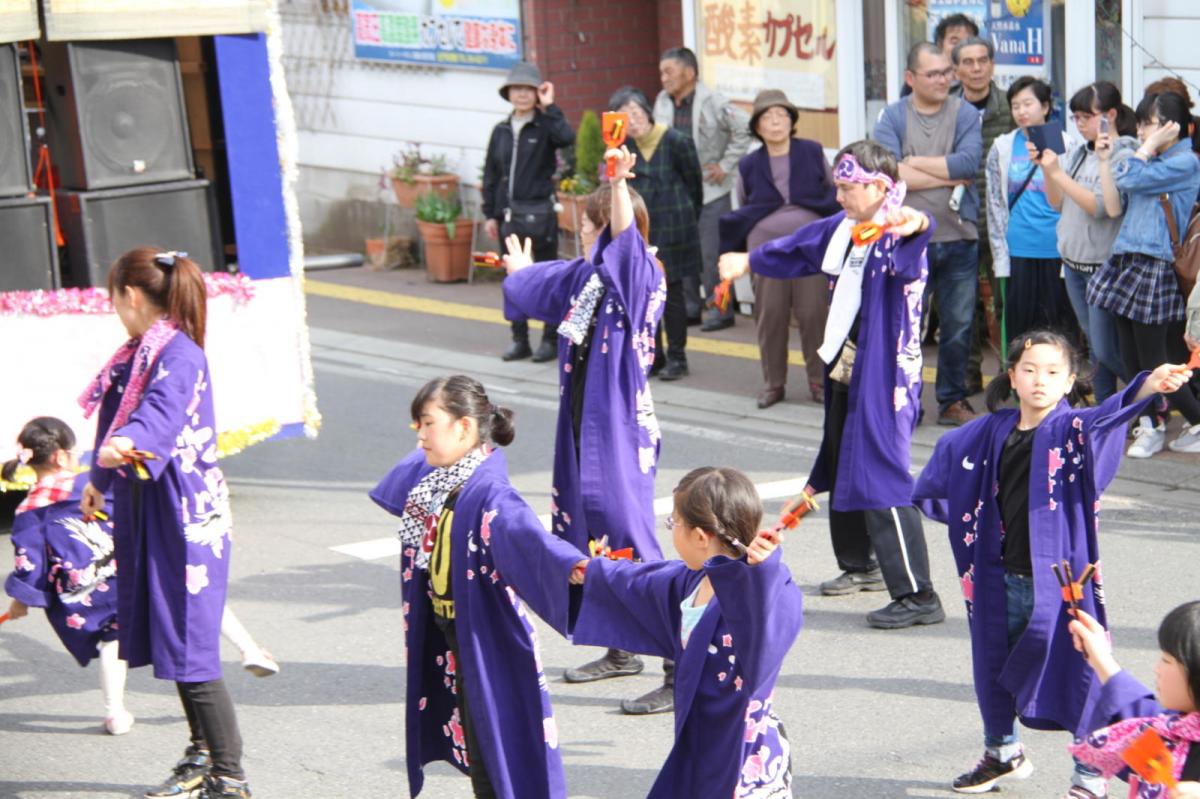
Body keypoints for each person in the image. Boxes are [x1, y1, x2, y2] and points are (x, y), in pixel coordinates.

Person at [912, 329, 1191, 796]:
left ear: (1069, 381)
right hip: (997, 576)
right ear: (1012, 377)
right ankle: (1002, 753)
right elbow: (939, 476)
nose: (1039, 379)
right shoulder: (987, 432)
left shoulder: (1072, 429)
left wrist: (1147, 385)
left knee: (1082, 674)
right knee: (992, 666)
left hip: (1062, 583)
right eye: (1029, 369)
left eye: (1052, 371)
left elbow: (1107, 415)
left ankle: (1090, 775)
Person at [719, 139, 946, 629]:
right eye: (838, 187)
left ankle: (918, 594)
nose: (839, 196)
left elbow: (920, 228)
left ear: (880, 188)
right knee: (842, 463)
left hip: (884, 376)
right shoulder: (843, 229)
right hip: (845, 363)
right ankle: (860, 564)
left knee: (882, 476)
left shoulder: (896, 229)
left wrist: (915, 221)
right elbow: (797, 245)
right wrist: (748, 260)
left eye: (848, 188)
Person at [501, 146, 674, 714]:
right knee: (588, 534)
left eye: (590, 227)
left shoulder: (639, 274)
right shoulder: (589, 278)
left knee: (632, 538)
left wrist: (617, 184)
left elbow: (624, 240)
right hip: (581, 427)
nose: (581, 235)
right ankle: (621, 648)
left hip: (618, 429)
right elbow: (540, 287)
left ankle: (679, 666)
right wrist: (519, 274)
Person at [79, 248, 250, 799]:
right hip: (151, 505)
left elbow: (156, 414)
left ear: (131, 296)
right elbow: (115, 421)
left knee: (190, 645)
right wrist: (98, 479)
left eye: (114, 298)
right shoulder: (139, 352)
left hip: (184, 517)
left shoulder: (179, 355)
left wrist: (129, 444)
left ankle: (230, 777)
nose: (114, 308)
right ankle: (201, 756)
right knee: (172, 639)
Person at [368, 375, 586, 799]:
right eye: (418, 425)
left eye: (428, 424)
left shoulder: (489, 491)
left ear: (464, 427)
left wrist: (570, 564)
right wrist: (435, 436)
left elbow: (527, 536)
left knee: (497, 763)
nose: (420, 436)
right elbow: (407, 474)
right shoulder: (441, 476)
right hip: (456, 635)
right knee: (481, 752)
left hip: (488, 640)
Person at [559, 467, 803, 798]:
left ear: (701, 537)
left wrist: (764, 577)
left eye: (674, 522)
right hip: (699, 737)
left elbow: (766, 635)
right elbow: (643, 581)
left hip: (740, 754)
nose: (671, 529)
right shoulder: (695, 578)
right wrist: (595, 572)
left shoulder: (762, 595)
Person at [1087, 91, 1200, 457]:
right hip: (1128, 260)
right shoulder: (1155, 159)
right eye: (1140, 124)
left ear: (1173, 127)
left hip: (1155, 264)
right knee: (1130, 357)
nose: (1140, 131)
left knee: (1154, 360)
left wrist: (1146, 147)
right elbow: (1116, 194)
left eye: (1148, 124)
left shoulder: (1185, 163)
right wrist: (1108, 158)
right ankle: (1149, 425)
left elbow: (1129, 177)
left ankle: (1194, 421)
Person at [876, 41, 983, 426]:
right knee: (905, 328)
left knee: (958, 327)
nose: (943, 80)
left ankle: (952, 399)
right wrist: (946, 175)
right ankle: (907, 401)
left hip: (958, 236)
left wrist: (913, 163)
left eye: (946, 72)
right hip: (907, 240)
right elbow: (888, 172)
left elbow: (968, 163)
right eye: (933, 73)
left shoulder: (964, 112)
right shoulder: (892, 116)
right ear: (911, 77)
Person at [3, 417, 129, 736]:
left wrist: (21, 601)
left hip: (80, 593)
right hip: (121, 576)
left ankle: (114, 712)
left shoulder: (29, 508)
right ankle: (245, 649)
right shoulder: (92, 485)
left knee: (111, 640)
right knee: (180, 607)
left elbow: (30, 563)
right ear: (61, 456)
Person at [719, 88, 840, 409]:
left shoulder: (812, 151)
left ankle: (819, 381)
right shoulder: (749, 164)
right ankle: (774, 383)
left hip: (809, 247)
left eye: (782, 115)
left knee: (814, 313)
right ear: (757, 126)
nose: (775, 122)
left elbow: (832, 193)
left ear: (791, 121)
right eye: (768, 117)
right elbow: (745, 202)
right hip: (766, 250)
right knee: (770, 315)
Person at [1041, 81, 1139, 403]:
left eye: (1087, 116)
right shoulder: (1081, 153)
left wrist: (1058, 175)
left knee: (1105, 349)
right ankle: (1106, 408)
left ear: (1110, 115)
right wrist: (1049, 171)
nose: (1080, 124)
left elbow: (1101, 208)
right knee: (1097, 349)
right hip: (1073, 263)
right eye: (1076, 117)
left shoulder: (1124, 154)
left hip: (1103, 268)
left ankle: (1154, 397)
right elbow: (1057, 202)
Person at [482, 60, 575, 363]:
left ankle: (550, 339)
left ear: (537, 93)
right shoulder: (500, 130)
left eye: (528, 89)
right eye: (516, 89)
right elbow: (491, 174)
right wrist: (490, 213)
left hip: (540, 212)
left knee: (547, 276)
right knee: (513, 278)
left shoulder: (545, 125)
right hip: (509, 215)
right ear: (508, 93)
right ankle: (519, 339)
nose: (522, 94)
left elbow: (567, 138)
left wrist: (550, 107)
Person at [654, 46, 751, 331]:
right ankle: (691, 308)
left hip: (711, 189)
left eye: (669, 72)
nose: (664, 78)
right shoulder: (662, 101)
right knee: (683, 250)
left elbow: (744, 128)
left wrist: (726, 164)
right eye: (661, 73)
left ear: (689, 73)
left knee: (712, 255)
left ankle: (721, 310)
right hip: (678, 191)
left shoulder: (713, 101)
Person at [610, 85, 702, 381]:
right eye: (624, 116)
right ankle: (654, 355)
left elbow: (694, 184)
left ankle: (677, 357)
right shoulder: (623, 149)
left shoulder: (676, 140)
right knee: (644, 293)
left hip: (674, 227)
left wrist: (688, 214)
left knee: (672, 293)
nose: (632, 120)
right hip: (641, 230)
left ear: (647, 111)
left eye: (635, 112)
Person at [1069, 602, 1200, 798]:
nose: (1157, 668)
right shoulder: (1172, 731)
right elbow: (1132, 706)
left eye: (1166, 660)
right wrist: (1098, 655)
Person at [986, 76, 1079, 344]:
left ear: (1046, 106)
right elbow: (995, 204)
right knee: (1020, 330)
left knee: (1059, 330)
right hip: (1018, 249)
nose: (1021, 111)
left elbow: (1073, 199)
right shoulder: (1003, 147)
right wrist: (1000, 255)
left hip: (1057, 249)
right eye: (1015, 106)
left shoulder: (1067, 145)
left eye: (1028, 104)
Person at [951, 36, 1016, 393]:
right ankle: (968, 371)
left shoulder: (1011, 106)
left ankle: (1010, 372)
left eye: (982, 61)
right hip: (957, 217)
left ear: (992, 64)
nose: (976, 68)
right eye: (968, 62)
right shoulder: (946, 108)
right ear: (956, 69)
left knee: (1006, 300)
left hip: (1003, 221)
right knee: (962, 304)